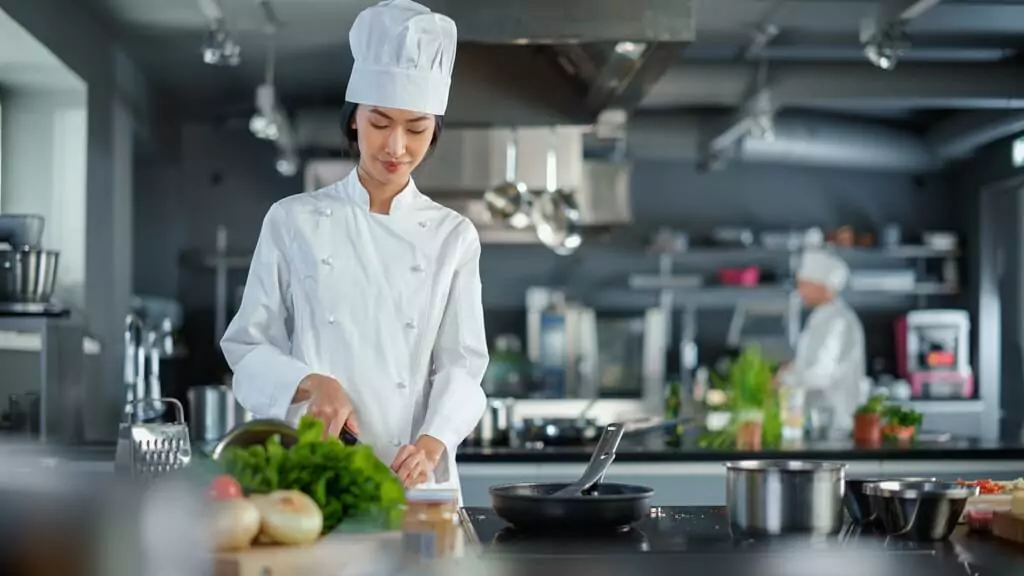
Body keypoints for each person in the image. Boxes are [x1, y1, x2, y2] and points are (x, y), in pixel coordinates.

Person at [220, 0, 488, 500]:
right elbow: (247, 345)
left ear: (434, 133)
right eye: (381, 122)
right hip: (315, 471)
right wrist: (310, 382)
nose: (396, 147)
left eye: (416, 128)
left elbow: (463, 366)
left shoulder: (452, 235)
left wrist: (433, 442)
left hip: (413, 476)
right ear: (354, 120)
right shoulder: (292, 219)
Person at [776, 249, 866, 431]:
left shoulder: (837, 320)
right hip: (817, 418)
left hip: (833, 420)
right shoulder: (821, 316)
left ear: (822, 286)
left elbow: (821, 372)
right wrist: (792, 368)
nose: (800, 291)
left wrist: (783, 379)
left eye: (804, 284)